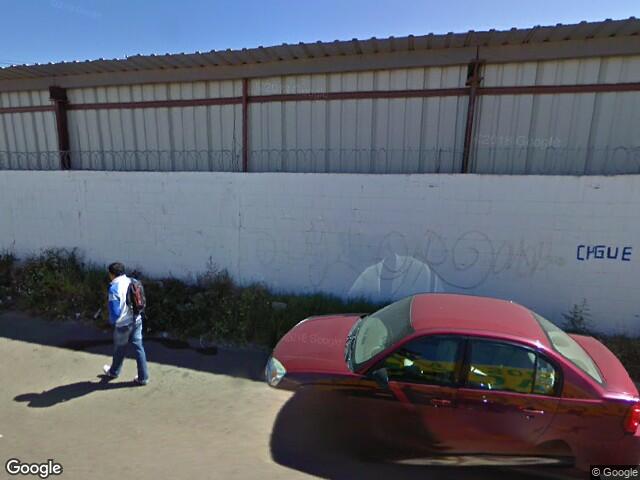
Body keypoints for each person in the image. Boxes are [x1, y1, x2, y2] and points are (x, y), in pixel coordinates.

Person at [102, 262, 149, 386]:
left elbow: (115, 311)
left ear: (112, 274)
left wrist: (112, 321)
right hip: (137, 320)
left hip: (123, 324)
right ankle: (143, 377)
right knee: (139, 348)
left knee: (119, 349)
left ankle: (113, 372)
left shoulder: (113, 288)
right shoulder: (133, 281)